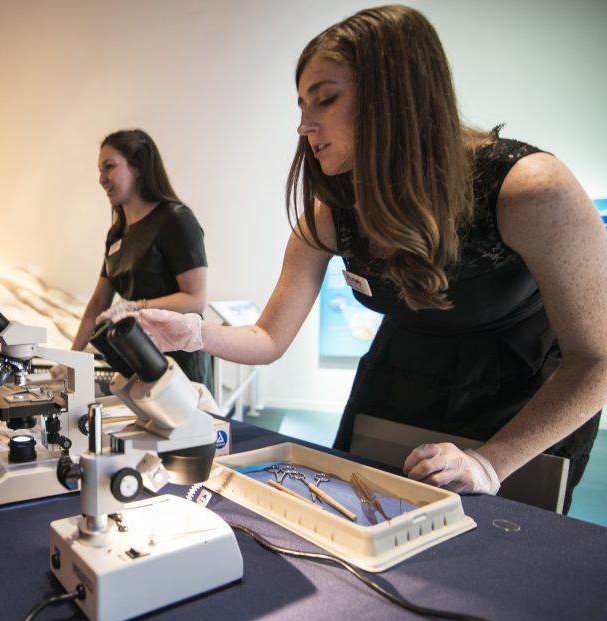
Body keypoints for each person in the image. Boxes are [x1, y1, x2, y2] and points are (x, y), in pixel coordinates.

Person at [129, 5, 607, 511]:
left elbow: (596, 358)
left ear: (396, 98)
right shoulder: (333, 211)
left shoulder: (529, 188)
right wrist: (195, 333)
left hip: (521, 400)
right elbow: (268, 336)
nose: (304, 126)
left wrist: (490, 463)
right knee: (363, 522)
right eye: (301, 106)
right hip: (400, 380)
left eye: (326, 100)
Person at [59, 129, 213, 387]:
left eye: (109, 167)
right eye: (99, 170)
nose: (101, 179)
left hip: (179, 363)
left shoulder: (175, 220)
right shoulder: (117, 234)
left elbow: (195, 300)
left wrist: (137, 306)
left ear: (138, 167)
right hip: (137, 358)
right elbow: (98, 304)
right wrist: (72, 357)